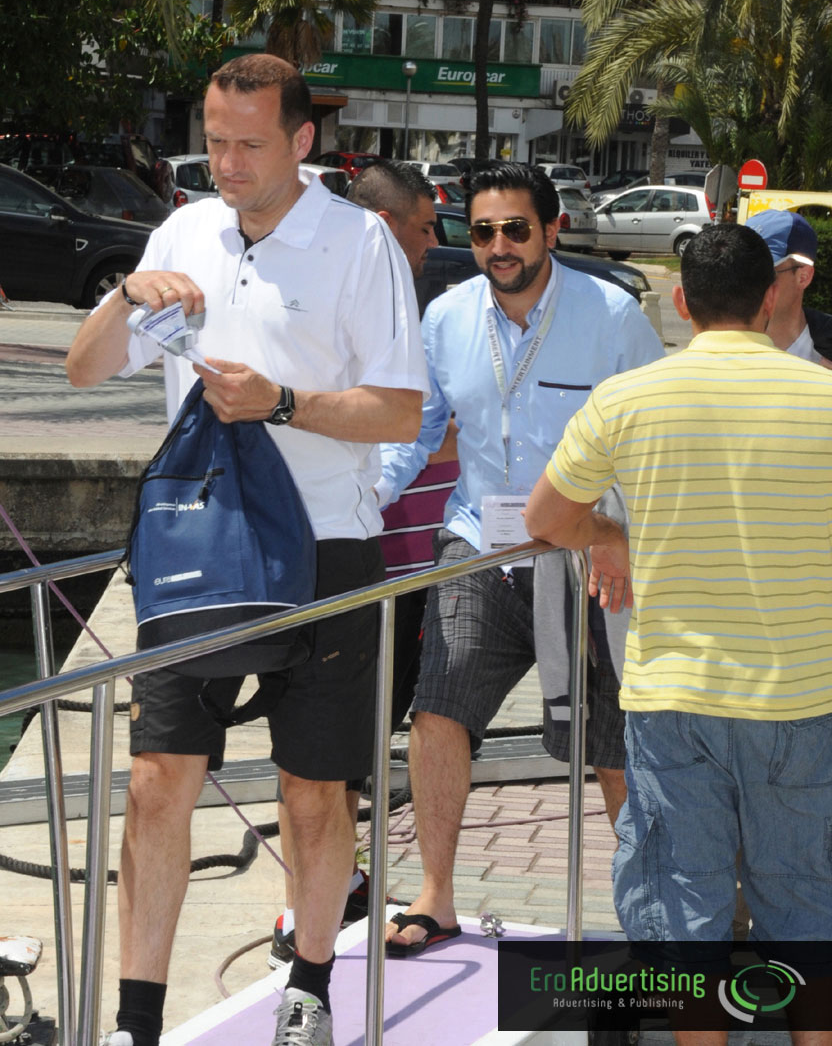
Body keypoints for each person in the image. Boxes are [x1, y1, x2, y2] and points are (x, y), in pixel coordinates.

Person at [65, 54, 428, 1046]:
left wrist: (282, 401)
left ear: (302, 143)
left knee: (315, 786)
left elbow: (400, 407)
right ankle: (137, 1017)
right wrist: (124, 296)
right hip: (200, 548)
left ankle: (307, 986)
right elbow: (86, 368)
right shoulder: (181, 228)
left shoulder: (358, 245)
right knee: (156, 780)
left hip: (328, 549)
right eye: (216, 140)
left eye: (249, 144)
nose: (225, 162)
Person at [525, 224, 832, 1045]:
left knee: (683, 917)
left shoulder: (628, 400)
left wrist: (612, 535)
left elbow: (547, 519)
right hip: (803, 698)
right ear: (771, 299)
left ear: (682, 302)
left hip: (674, 700)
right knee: (805, 908)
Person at [378, 163, 664, 956]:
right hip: (479, 543)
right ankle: (436, 894)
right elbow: (419, 428)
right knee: (439, 711)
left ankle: (649, 921)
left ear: (552, 228)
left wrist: (621, 539)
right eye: (480, 232)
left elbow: (649, 446)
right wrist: (364, 498)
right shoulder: (445, 316)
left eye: (514, 229)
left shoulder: (612, 317)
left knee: (611, 743)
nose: (497, 247)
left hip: (584, 553)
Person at [269, 158, 459, 966]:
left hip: (393, 557)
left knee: (343, 746)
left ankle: (326, 891)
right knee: (332, 749)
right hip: (359, 552)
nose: (433, 244)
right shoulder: (348, 293)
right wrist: (371, 502)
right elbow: (407, 434)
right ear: (384, 224)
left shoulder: (402, 300)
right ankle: (315, 903)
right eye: (425, 228)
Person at [745, 209, 832, 362]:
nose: (748, 281)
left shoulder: (825, 350)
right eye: (741, 269)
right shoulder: (716, 347)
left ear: (803, 277)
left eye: (763, 273)